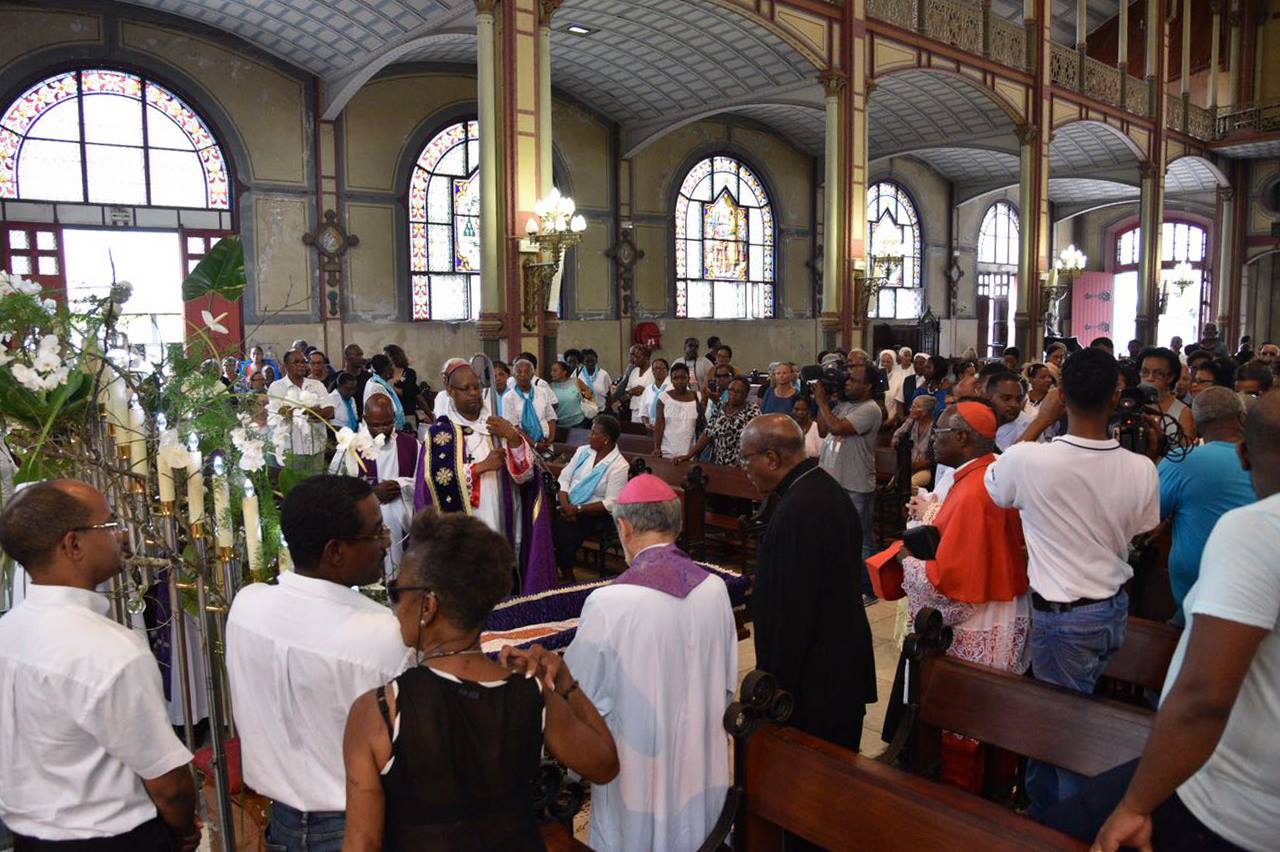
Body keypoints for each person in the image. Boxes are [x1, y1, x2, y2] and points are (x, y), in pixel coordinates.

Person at [342, 509, 619, 851]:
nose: (395, 605)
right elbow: (605, 763)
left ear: (427, 606)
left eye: (398, 591)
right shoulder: (533, 694)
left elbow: (362, 842)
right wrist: (565, 682)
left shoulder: (380, 712)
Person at [1088, 392, 1280, 852]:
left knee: (1059, 827)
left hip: (1231, 806)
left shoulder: (1257, 528)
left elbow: (1203, 698)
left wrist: (1135, 806)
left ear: (1245, 457)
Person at [985, 347, 1160, 814]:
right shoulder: (1141, 467)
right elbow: (1143, 528)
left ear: (1060, 397)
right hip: (1112, 609)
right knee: (1073, 718)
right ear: (1117, 395)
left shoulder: (1029, 459)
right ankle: (1052, 809)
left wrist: (1040, 421)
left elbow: (996, 485)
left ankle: (1060, 825)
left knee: (1061, 733)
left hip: (1064, 619)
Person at [0, 481, 200, 851]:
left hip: (31, 838)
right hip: (111, 838)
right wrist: (184, 830)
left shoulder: (7, 630)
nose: (121, 536)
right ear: (73, 545)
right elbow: (168, 784)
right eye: (109, 526)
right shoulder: (110, 650)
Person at [227, 476, 411, 850]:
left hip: (281, 824)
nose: (386, 541)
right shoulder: (382, 635)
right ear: (336, 552)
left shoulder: (246, 606)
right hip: (360, 827)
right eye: (376, 533)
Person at [562, 475, 737, 852]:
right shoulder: (715, 588)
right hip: (702, 771)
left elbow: (580, 700)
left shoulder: (610, 604)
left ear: (623, 528)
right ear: (678, 524)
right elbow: (725, 684)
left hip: (638, 783)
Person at [740, 415, 877, 750]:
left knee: (815, 783)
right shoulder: (823, 488)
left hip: (815, 681)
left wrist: (774, 686)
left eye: (746, 458)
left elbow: (791, 613)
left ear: (771, 459)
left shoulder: (798, 511)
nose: (744, 467)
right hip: (838, 665)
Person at [896, 402, 1030, 671]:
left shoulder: (975, 491)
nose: (933, 438)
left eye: (939, 431)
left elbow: (953, 582)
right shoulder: (989, 470)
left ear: (961, 437)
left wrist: (908, 562)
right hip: (997, 601)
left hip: (980, 617)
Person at [414, 362, 556, 594]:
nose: (473, 393)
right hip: (470, 523)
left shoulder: (497, 426)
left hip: (506, 518)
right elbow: (433, 486)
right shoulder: (441, 433)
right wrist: (481, 467)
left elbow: (527, 476)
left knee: (504, 574)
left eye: (477, 387)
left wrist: (513, 439)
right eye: (465, 388)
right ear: (451, 391)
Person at [1157, 387, 1254, 613]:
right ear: (1242, 418)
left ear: (1197, 424)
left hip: (1195, 601)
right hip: (1257, 588)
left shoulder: (1180, 461)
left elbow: (1149, 516)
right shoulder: (1265, 460)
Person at [329, 394, 421, 578]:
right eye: (375, 425)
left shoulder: (411, 445)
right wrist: (371, 493)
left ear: (394, 419)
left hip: (403, 525)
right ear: (365, 420)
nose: (382, 430)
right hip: (366, 527)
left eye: (387, 423)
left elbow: (423, 484)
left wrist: (400, 485)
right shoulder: (350, 447)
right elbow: (334, 490)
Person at [815, 364, 882, 604]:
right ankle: (843, 584)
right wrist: (822, 402)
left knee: (861, 539)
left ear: (868, 386)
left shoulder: (871, 409)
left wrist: (822, 402)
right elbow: (823, 430)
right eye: (848, 379)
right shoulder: (843, 405)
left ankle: (870, 589)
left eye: (854, 380)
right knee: (835, 536)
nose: (847, 383)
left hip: (855, 483)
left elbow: (836, 427)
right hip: (832, 480)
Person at [555, 415, 630, 578]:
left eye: (593, 433)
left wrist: (578, 510)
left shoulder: (619, 465)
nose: (589, 436)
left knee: (567, 529)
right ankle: (553, 567)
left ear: (605, 439)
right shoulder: (583, 452)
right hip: (568, 504)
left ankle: (567, 574)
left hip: (596, 513)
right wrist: (567, 505)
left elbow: (612, 503)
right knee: (547, 520)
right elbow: (564, 478)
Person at [268, 349, 335, 476]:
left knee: (316, 488)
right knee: (295, 490)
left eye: (304, 362)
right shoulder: (277, 387)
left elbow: (330, 410)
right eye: (296, 362)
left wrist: (317, 413)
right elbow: (280, 414)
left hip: (316, 448)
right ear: (286, 366)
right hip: (292, 450)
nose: (302, 365)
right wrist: (305, 411)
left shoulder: (317, 385)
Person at [678, 376, 761, 467]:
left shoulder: (752, 411)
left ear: (746, 394)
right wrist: (690, 455)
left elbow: (755, 442)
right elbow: (708, 433)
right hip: (719, 463)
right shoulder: (720, 407)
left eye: (738, 392)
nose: (733, 393)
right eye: (731, 390)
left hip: (741, 466)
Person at [1138, 346, 1196, 448]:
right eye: (1145, 372)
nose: (1149, 378)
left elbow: (1186, 453)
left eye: (1158, 374)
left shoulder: (1184, 413)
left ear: (1170, 377)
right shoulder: (1131, 403)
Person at [503, 357, 557, 453]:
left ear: (532, 375)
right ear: (513, 375)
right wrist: (534, 444)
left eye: (527, 372)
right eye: (519, 372)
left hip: (545, 443)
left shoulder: (542, 392)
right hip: (523, 446)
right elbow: (514, 427)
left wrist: (550, 440)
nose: (523, 375)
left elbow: (551, 417)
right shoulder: (508, 398)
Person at [653, 361, 699, 459]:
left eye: (683, 377)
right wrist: (657, 448)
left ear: (688, 379)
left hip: (689, 454)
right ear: (671, 380)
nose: (679, 381)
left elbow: (701, 426)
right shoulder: (663, 398)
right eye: (675, 378)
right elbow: (659, 425)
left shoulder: (697, 397)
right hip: (667, 452)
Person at [892, 394, 935, 489]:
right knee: (893, 485)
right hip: (908, 466)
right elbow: (897, 435)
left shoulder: (934, 428)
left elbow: (934, 459)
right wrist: (896, 442)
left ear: (925, 412)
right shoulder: (912, 421)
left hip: (926, 470)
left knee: (909, 484)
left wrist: (916, 465)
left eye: (915, 407)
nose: (910, 409)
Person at [363, 353, 407, 432]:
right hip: (380, 431)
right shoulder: (377, 387)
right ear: (386, 369)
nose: (393, 369)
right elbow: (386, 411)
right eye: (391, 366)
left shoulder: (374, 381)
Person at [383, 344, 422, 428]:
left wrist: (389, 386)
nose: (383, 360)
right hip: (390, 417)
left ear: (394, 357)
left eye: (385, 357)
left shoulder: (409, 373)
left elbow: (408, 393)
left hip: (407, 415)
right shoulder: (385, 374)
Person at [549, 359, 594, 431]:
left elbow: (589, 391)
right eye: (551, 371)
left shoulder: (576, 381)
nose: (551, 373)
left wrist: (587, 396)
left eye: (555, 371)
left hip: (579, 423)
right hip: (560, 426)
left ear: (564, 372)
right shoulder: (550, 387)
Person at [614, 344, 654, 421]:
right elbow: (625, 396)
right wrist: (631, 392)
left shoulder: (654, 371)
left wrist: (645, 391)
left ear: (646, 357)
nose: (634, 359)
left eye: (637, 357)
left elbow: (662, 393)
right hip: (635, 411)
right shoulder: (634, 372)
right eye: (633, 357)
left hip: (649, 412)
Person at [638, 357, 671, 428]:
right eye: (656, 368)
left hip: (670, 429)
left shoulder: (675, 387)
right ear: (652, 371)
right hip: (652, 429)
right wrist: (646, 424)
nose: (659, 371)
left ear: (667, 371)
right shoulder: (648, 390)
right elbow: (644, 413)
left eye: (662, 368)